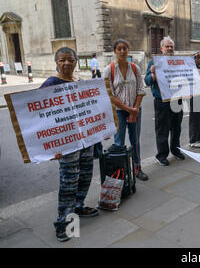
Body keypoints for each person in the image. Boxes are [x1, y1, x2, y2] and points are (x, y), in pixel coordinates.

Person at [40, 47, 99, 242]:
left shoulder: (81, 83)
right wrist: (51, 146)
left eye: (70, 60)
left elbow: (90, 110)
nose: (66, 63)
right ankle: (62, 223)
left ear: (75, 62)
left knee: (85, 175)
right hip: (66, 144)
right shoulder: (50, 84)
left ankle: (79, 206)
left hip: (85, 140)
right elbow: (41, 118)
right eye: (62, 60)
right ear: (56, 62)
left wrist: (100, 130)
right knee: (69, 181)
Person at [103, 39, 148, 181]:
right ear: (114, 52)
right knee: (119, 143)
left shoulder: (135, 68)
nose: (122, 51)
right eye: (119, 49)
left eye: (125, 48)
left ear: (128, 50)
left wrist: (135, 109)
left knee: (135, 141)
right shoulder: (108, 70)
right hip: (119, 112)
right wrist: (129, 109)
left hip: (135, 110)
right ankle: (120, 172)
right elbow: (110, 96)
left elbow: (141, 90)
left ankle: (137, 168)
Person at [145, 36, 185, 166]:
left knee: (176, 127)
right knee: (162, 129)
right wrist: (152, 75)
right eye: (167, 46)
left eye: (171, 46)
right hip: (162, 101)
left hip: (176, 99)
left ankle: (176, 150)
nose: (169, 48)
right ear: (161, 48)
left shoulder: (179, 61)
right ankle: (161, 155)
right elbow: (146, 81)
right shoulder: (154, 62)